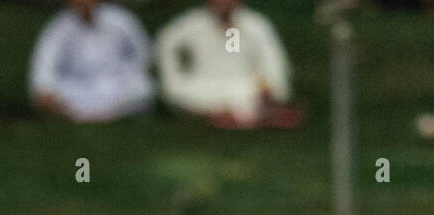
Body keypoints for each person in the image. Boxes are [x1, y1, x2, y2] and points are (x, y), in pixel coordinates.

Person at [156, 0, 297, 128]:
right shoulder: (192, 23)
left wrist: (269, 86)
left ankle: (232, 115)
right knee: (180, 93)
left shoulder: (255, 24)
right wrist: (174, 78)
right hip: (203, 86)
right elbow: (166, 44)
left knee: (251, 91)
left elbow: (273, 62)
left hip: (244, 86)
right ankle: (248, 116)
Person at [28, 0, 154, 123]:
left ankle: (87, 116)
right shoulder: (58, 26)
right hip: (77, 88)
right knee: (52, 93)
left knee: (141, 87)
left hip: (116, 84)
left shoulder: (121, 20)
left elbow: (142, 53)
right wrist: (45, 89)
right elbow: (45, 63)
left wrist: (130, 73)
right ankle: (97, 115)